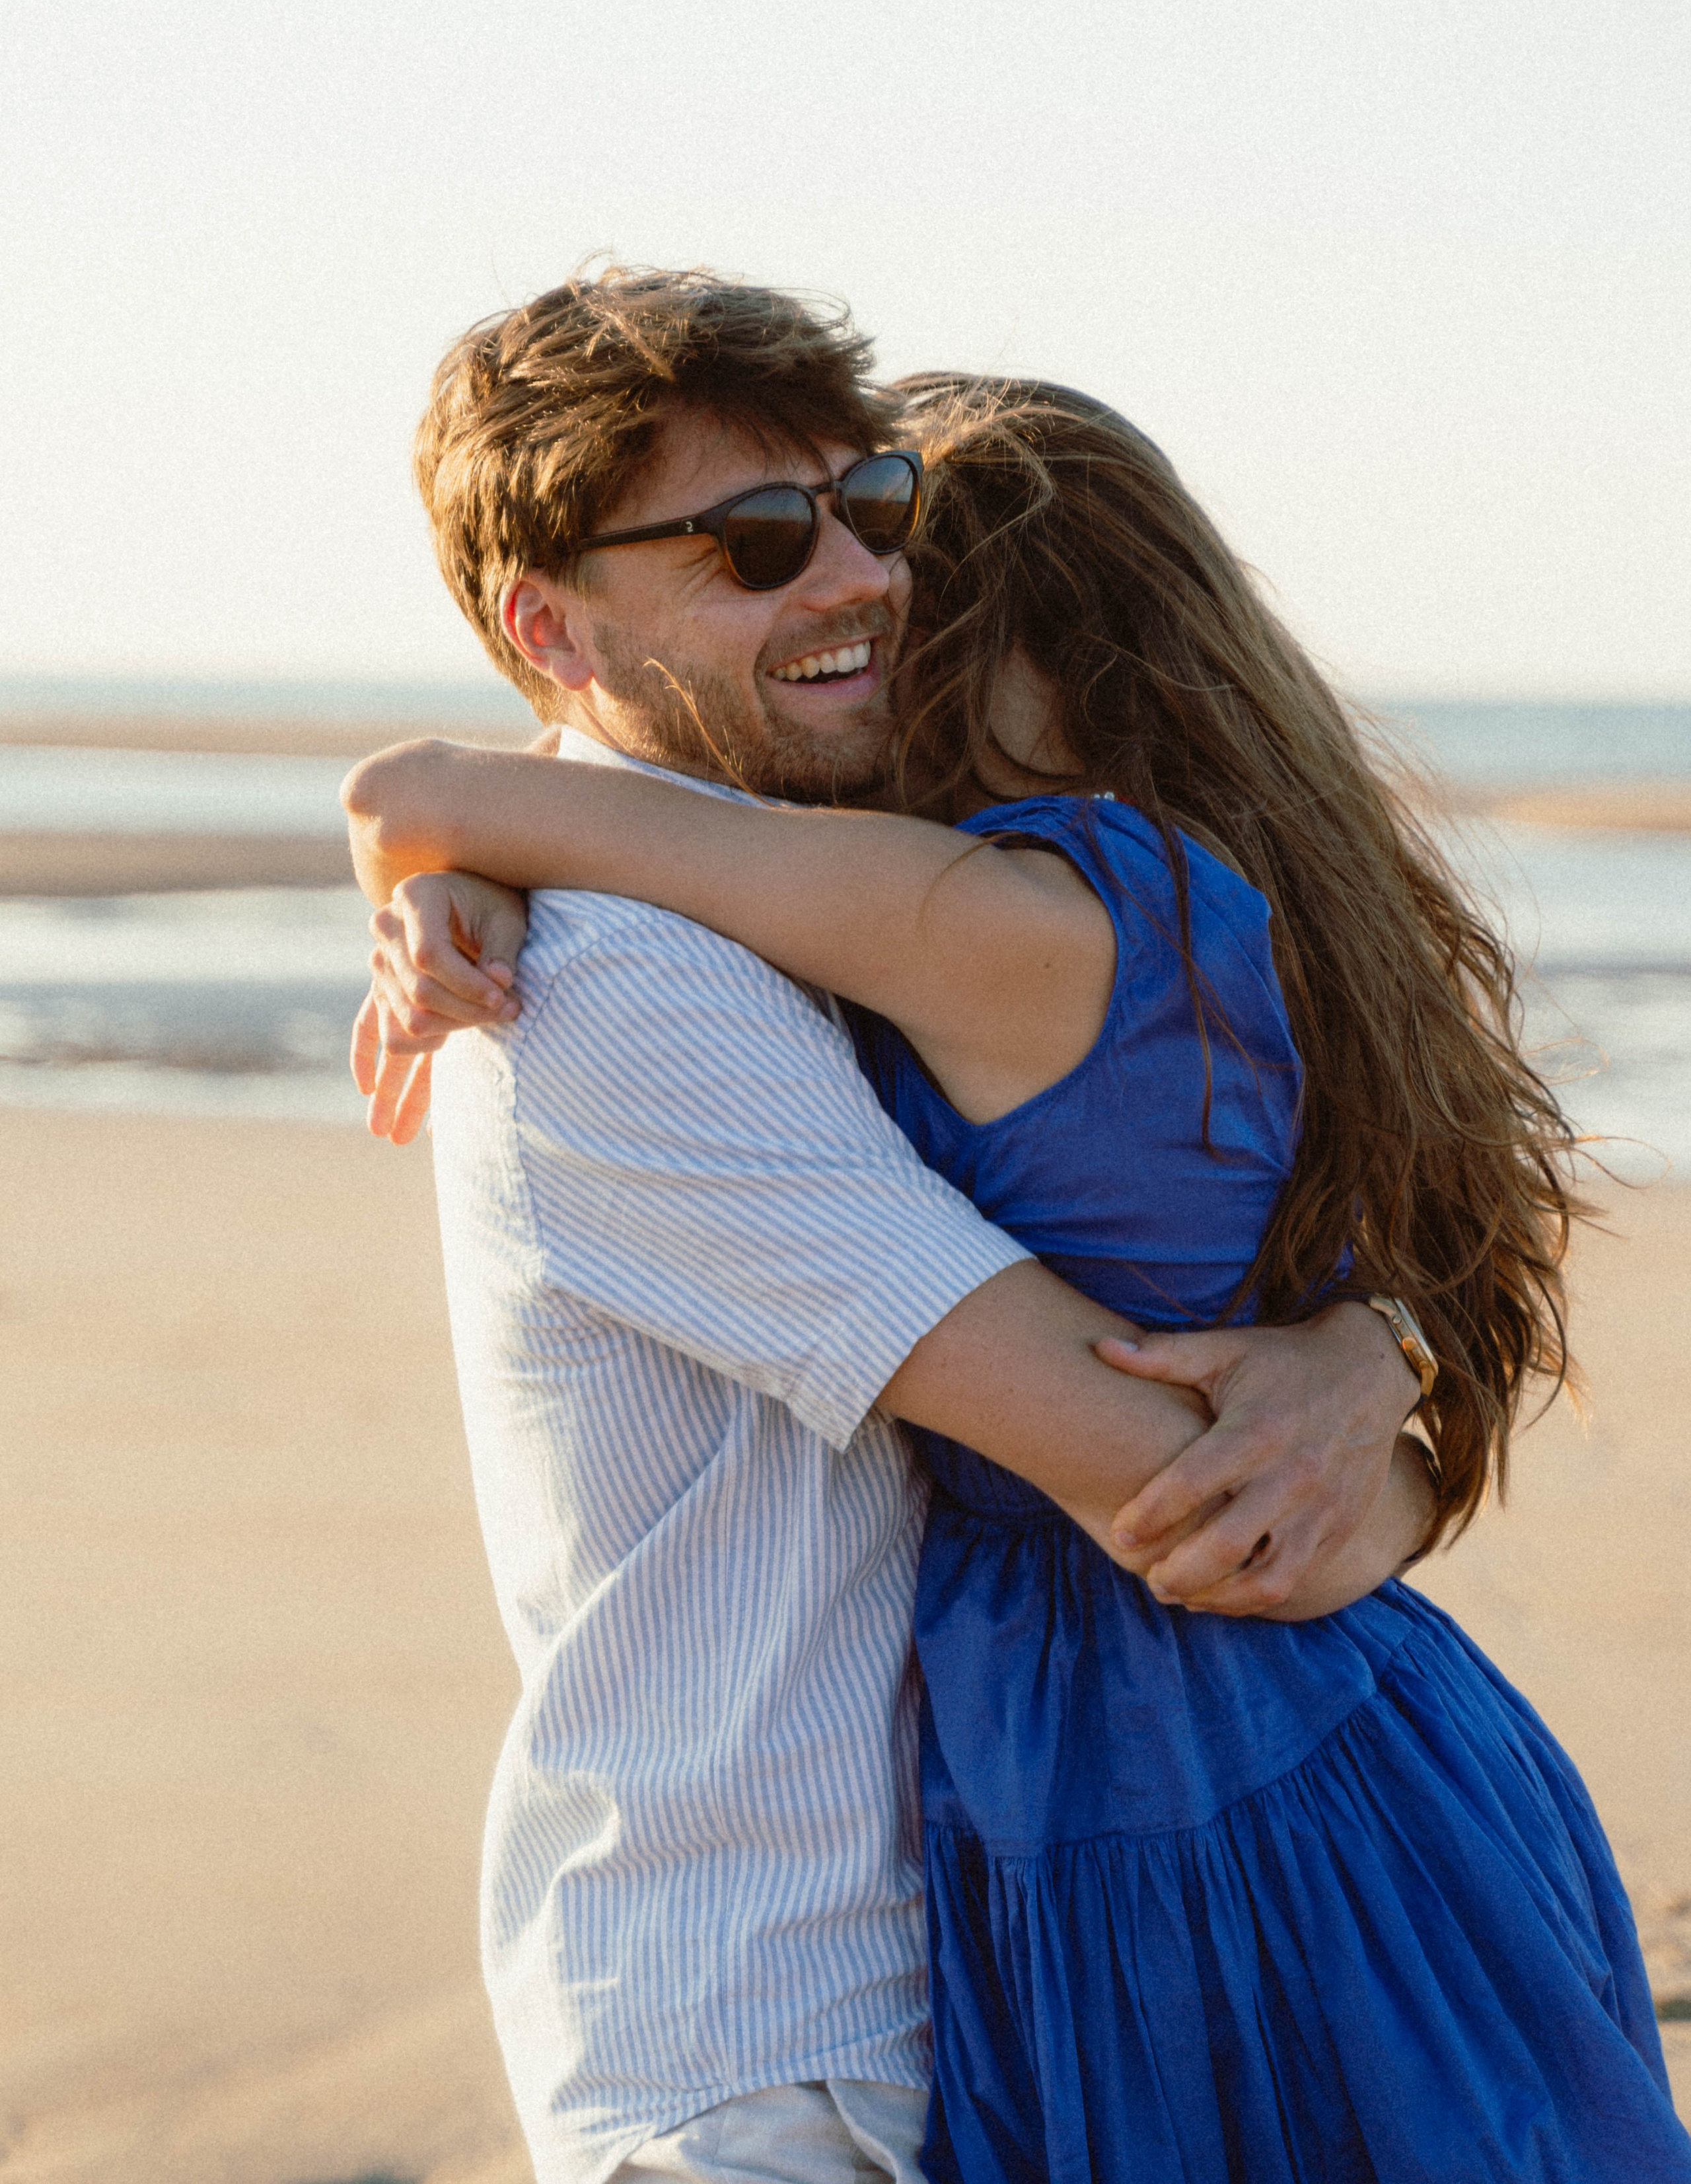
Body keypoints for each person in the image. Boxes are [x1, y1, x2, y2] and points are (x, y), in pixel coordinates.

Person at [351, 353, 1689, 2183]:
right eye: (769, 544)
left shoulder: (955, 920)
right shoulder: (779, 954)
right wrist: (454, 860)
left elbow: (1206, 1478)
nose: (858, 600)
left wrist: (442, 824)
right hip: (900, 1961)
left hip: (1153, 1808)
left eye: (893, 544)